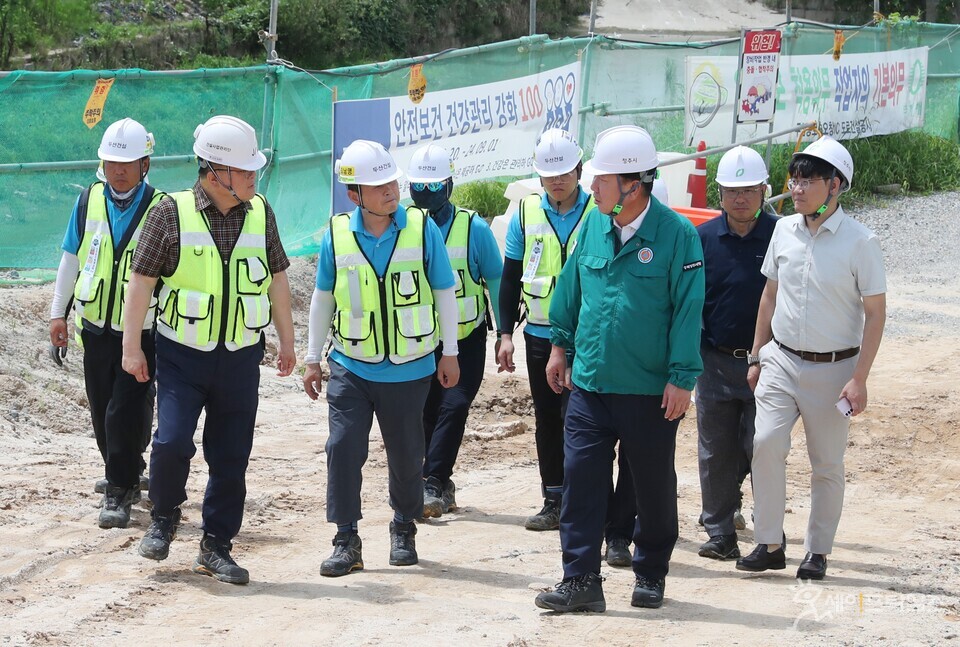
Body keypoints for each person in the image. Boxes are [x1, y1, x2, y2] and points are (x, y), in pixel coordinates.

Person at [534, 125, 704, 613]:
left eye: (601, 182)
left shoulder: (677, 237)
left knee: (651, 485)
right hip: (589, 384)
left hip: (649, 389)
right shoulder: (593, 224)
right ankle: (580, 578)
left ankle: (650, 571)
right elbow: (570, 290)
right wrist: (560, 347)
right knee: (581, 481)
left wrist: (682, 377)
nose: (592, 190)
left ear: (633, 184)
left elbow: (689, 310)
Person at [122, 115, 296, 585]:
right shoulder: (169, 212)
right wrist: (132, 345)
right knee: (172, 441)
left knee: (232, 455)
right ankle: (163, 518)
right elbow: (141, 281)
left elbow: (278, 276)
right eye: (246, 171)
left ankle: (216, 546)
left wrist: (287, 338)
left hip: (241, 356)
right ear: (216, 171)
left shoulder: (260, 211)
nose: (254, 178)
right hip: (182, 355)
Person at [302, 139, 460, 577]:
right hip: (351, 364)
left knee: (407, 455)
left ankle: (403, 526)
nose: (390, 190)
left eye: (391, 180)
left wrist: (450, 352)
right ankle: (346, 538)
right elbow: (322, 297)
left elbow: (444, 290)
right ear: (354, 194)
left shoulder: (421, 228)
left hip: (410, 367)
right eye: (378, 184)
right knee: (342, 448)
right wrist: (313, 358)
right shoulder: (336, 233)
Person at [736, 136, 886, 580]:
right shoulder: (783, 229)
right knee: (764, 444)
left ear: (835, 185)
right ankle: (769, 542)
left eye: (808, 180)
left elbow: (876, 315)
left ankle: (817, 550)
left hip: (835, 368)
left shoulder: (862, 242)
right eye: (794, 179)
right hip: (780, 359)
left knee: (826, 463)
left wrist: (859, 378)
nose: (797, 189)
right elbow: (769, 294)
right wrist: (756, 356)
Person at [48, 118, 163, 529]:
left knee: (124, 411)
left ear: (144, 164)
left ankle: (119, 490)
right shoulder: (86, 202)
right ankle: (127, 466)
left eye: (127, 162)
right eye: (112, 161)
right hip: (95, 328)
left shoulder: (161, 209)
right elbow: (70, 259)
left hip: (141, 332)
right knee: (101, 412)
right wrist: (57, 313)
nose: (118, 170)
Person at [496, 128, 594, 531]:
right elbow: (509, 276)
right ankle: (553, 498)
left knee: (585, 420)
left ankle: (585, 501)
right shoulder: (525, 213)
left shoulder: (598, 212)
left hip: (588, 336)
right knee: (548, 418)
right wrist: (505, 334)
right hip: (538, 332)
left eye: (565, 172)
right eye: (549, 173)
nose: (557, 180)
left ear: (579, 170)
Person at [405, 144, 503, 518]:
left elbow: (495, 282)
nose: (426, 195)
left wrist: (505, 333)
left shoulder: (473, 229)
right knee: (427, 410)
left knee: (455, 404)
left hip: (465, 338)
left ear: (448, 184)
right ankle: (440, 482)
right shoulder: (404, 227)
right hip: (419, 340)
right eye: (420, 187)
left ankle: (432, 480)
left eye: (434, 186)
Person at [695, 145, 777, 561]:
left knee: (759, 445)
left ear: (764, 190)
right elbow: (688, 299)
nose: (740, 198)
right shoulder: (703, 239)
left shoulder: (783, 236)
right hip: (714, 360)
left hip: (770, 364)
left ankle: (765, 532)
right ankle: (720, 531)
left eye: (748, 189)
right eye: (732, 190)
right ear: (719, 193)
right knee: (714, 448)